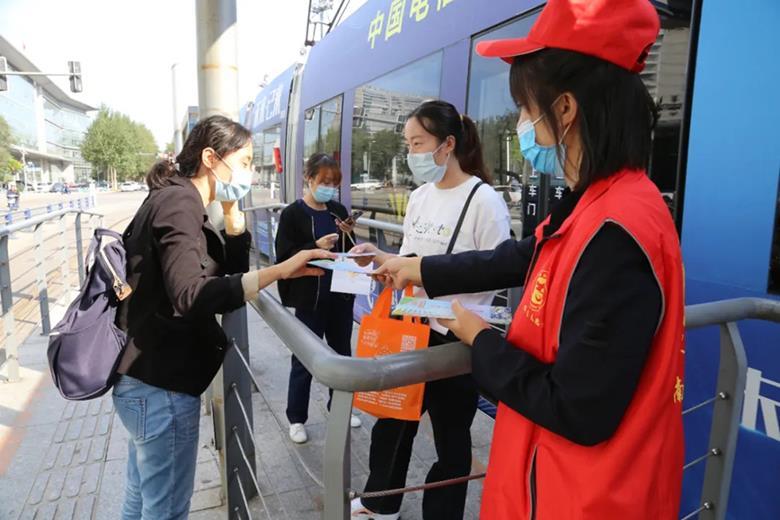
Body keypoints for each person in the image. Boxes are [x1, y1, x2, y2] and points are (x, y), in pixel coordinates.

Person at [373, 1, 685, 518]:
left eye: (523, 107)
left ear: (564, 109)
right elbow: (521, 255)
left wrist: (478, 338)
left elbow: (575, 407)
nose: (519, 124)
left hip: (584, 498)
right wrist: (419, 268)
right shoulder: (599, 199)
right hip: (554, 484)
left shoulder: (618, 230)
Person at [113, 115, 332, 520]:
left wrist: (234, 220)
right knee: (166, 510)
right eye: (246, 161)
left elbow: (223, 276)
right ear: (212, 158)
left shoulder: (179, 198)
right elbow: (190, 294)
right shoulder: (179, 203)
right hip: (161, 385)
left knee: (140, 497)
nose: (251, 171)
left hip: (145, 380)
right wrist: (279, 270)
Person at [349, 100, 511, 519]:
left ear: (447, 145)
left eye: (418, 142)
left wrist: (438, 293)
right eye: (408, 144)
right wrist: (381, 261)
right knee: (392, 422)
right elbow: (410, 258)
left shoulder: (483, 200)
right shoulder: (420, 197)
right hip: (409, 325)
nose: (411, 153)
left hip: (454, 337)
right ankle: (380, 504)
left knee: (451, 440)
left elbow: (494, 274)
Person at [275, 153, 363, 444]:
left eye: (334, 183)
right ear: (309, 178)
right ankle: (296, 418)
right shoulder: (292, 214)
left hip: (340, 295)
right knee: (305, 359)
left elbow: (350, 251)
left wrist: (349, 235)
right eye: (324, 182)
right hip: (309, 299)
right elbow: (285, 257)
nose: (329, 188)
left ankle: (340, 408)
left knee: (342, 356)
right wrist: (315, 245)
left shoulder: (337, 209)